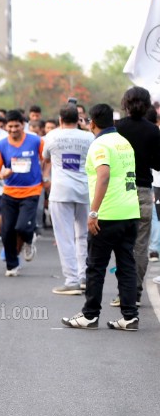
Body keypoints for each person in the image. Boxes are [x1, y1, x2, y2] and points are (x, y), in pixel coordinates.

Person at [62, 103, 140, 331]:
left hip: (108, 214)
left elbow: (103, 175)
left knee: (95, 266)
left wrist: (94, 211)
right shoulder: (123, 142)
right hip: (130, 212)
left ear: (92, 123)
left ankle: (89, 315)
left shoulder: (100, 144)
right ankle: (130, 316)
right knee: (126, 265)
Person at [114, 86, 160, 307]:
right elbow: (158, 163)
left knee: (122, 245)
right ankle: (135, 292)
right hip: (142, 190)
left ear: (125, 103)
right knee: (140, 245)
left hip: (119, 192)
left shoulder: (117, 129)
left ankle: (123, 291)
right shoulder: (153, 130)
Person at [42, 105, 93, 294]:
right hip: (84, 190)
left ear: (60, 119)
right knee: (83, 236)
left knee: (65, 237)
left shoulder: (52, 136)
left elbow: (45, 157)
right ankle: (84, 277)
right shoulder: (89, 137)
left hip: (61, 191)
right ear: (79, 118)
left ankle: (71, 280)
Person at [0, 110, 44, 276]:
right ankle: (12, 265)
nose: (13, 129)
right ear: (6, 126)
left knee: (22, 226)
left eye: (17, 126)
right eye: (10, 126)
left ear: (23, 125)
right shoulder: (2, 145)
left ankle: (29, 238)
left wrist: (46, 175)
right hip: (10, 192)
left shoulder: (35, 141)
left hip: (32, 190)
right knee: (6, 230)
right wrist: (1, 175)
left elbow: (47, 159)